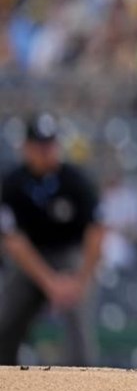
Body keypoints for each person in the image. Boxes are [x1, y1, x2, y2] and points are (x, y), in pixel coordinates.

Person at [0, 112, 105, 365]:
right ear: (26, 147)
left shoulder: (75, 180)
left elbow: (96, 232)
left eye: (51, 144)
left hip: (70, 257)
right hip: (30, 261)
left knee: (80, 322)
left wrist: (80, 280)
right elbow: (13, 240)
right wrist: (49, 281)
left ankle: (86, 381)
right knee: (5, 319)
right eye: (40, 145)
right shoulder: (13, 183)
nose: (47, 151)